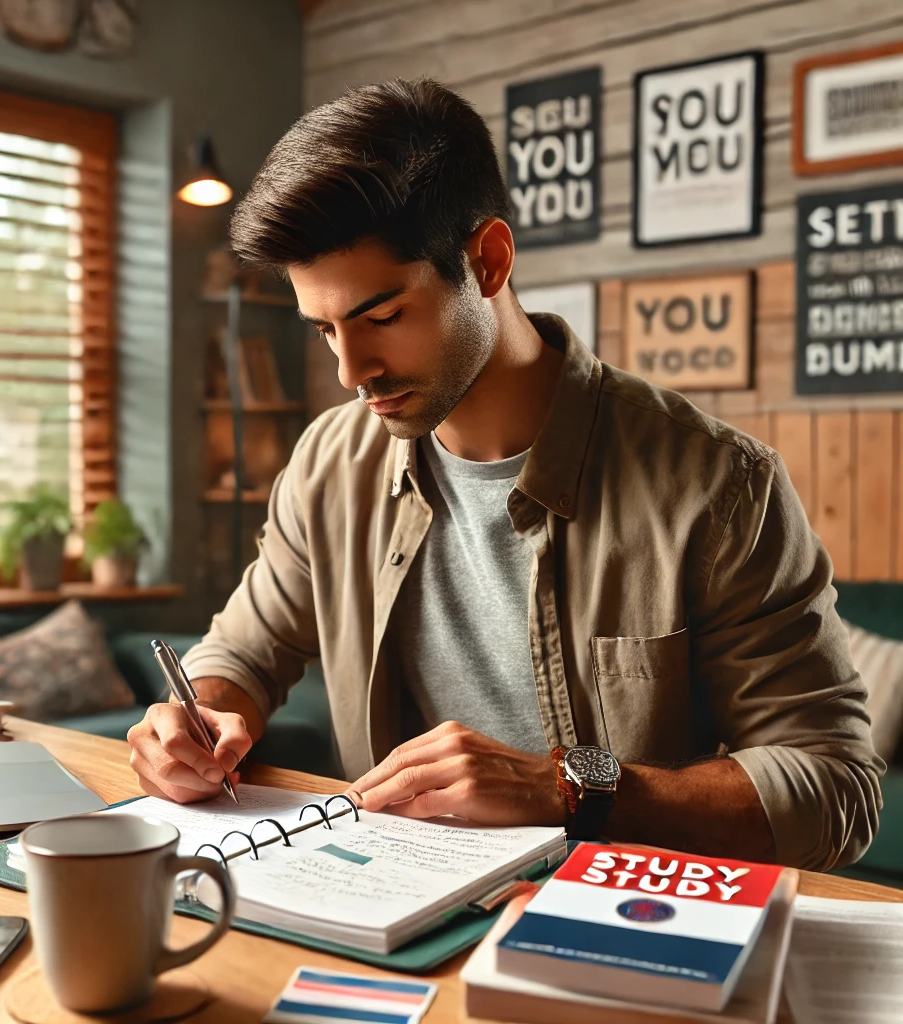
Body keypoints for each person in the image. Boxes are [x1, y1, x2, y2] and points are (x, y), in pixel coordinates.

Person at [127, 77, 882, 871]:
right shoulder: (328, 462)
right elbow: (240, 656)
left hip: (626, 919)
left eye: (383, 318)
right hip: (392, 910)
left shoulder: (719, 485)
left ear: (487, 260)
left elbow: (835, 788)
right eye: (324, 330)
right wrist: (196, 719)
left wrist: (566, 783)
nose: (353, 370)